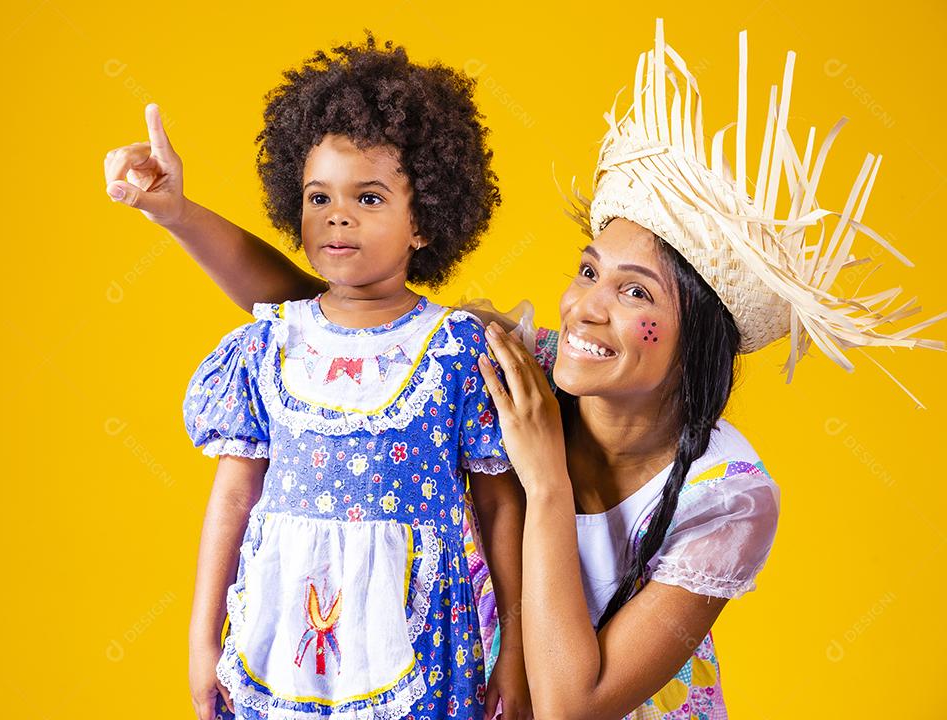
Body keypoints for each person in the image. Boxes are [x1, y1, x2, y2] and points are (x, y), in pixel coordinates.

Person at [105, 21, 943, 719]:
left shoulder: (728, 494)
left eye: (633, 290)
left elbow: (571, 704)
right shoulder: (520, 369)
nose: (584, 307)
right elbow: (330, 310)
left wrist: (543, 479)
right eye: (587, 270)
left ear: (698, 336)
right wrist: (178, 215)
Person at [105, 37, 532, 720]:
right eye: (318, 195)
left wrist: (512, 645)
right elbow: (231, 497)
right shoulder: (265, 344)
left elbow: (501, 504)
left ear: (424, 221)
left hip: (423, 640)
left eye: (368, 197)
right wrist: (199, 635)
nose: (337, 214)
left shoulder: (457, 351)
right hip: (281, 635)